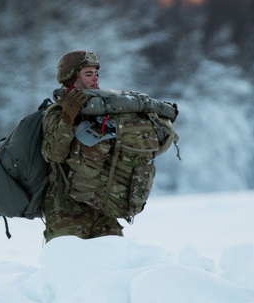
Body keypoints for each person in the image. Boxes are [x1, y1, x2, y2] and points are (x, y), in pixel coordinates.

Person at [40, 50, 174, 242]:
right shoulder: (56, 111)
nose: (95, 79)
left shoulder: (106, 109)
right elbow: (53, 154)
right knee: (67, 264)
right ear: (71, 77)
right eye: (88, 74)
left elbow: (142, 150)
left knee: (113, 264)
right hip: (67, 209)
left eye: (96, 74)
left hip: (104, 206)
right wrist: (67, 119)